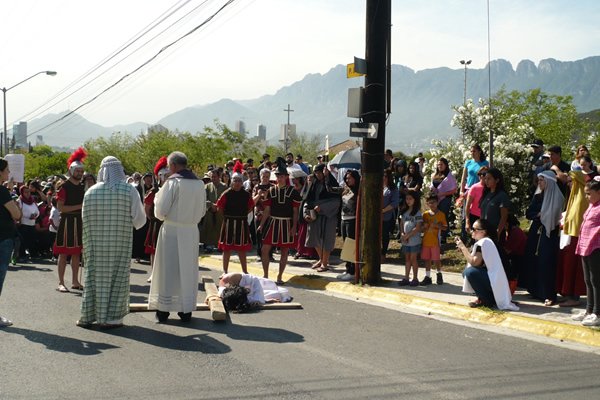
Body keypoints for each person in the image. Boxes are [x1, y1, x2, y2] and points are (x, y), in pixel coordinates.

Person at [76, 156, 146, 329]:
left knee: (94, 278)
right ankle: (112, 319)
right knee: (117, 278)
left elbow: (84, 219)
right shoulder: (129, 190)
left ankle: (88, 316)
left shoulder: (90, 192)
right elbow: (140, 220)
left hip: (95, 245)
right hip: (119, 244)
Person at [149, 151, 206, 323]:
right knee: (187, 270)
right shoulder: (199, 184)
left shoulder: (172, 183)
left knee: (168, 270)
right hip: (191, 231)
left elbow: (160, 212)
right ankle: (185, 310)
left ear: (172, 166)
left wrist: (157, 198)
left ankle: (163, 310)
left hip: (172, 230)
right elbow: (202, 211)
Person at [456, 218, 519, 310]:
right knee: (468, 272)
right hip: (505, 283)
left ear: (483, 232)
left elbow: (474, 262)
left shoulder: (484, 242)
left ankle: (486, 300)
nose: (471, 231)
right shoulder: (489, 241)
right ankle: (488, 297)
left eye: (474, 229)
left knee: (470, 272)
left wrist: (462, 247)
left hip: (506, 284)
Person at [522, 170, 565, 306]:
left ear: (549, 182)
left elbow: (556, 216)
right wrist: (539, 214)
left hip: (550, 233)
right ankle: (535, 290)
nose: (539, 183)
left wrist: (544, 215)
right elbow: (529, 213)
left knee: (546, 262)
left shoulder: (558, 197)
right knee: (533, 259)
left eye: (542, 180)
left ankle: (548, 294)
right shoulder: (538, 196)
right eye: (538, 180)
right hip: (537, 231)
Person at [257, 158, 301, 284]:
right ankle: (265, 275)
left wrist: (294, 227)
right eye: (278, 176)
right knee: (265, 250)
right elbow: (267, 210)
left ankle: (280, 276)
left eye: (282, 176)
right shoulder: (271, 190)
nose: (280, 178)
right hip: (273, 223)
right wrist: (261, 224)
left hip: (287, 223)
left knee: (284, 251)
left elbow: (295, 211)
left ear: (286, 177)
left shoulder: (293, 192)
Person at [54, 147, 87, 293]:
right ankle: (61, 282)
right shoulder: (64, 186)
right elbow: (61, 208)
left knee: (76, 253)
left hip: (79, 222)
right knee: (63, 253)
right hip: (67, 222)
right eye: (77, 171)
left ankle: (75, 281)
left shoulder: (82, 186)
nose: (79, 173)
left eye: (81, 171)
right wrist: (80, 206)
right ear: (71, 170)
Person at [556, 170, 588, 307]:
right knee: (568, 267)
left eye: (571, 182)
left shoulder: (582, 198)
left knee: (574, 268)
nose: (569, 184)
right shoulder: (574, 196)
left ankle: (574, 297)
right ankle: (568, 294)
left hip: (576, 238)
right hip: (569, 237)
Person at [217, 161, 254, 274]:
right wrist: (227, 217)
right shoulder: (226, 194)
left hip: (241, 223)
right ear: (231, 181)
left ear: (242, 182)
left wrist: (241, 216)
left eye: (239, 180)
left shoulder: (246, 194)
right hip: (228, 223)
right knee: (226, 249)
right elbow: (220, 207)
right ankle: (225, 270)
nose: (237, 183)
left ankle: (245, 271)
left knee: (241, 250)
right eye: (235, 180)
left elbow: (250, 207)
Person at [572, 177, 600, 326]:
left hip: (596, 247)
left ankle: (597, 312)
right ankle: (589, 310)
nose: (586, 196)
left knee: (596, 280)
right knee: (588, 280)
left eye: (589, 193)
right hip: (585, 246)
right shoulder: (592, 206)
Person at [303, 163, 340, 273]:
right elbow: (306, 198)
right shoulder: (313, 183)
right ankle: (321, 259)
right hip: (314, 213)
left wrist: (322, 207)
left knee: (326, 238)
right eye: (316, 173)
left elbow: (337, 201)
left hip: (329, 214)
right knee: (314, 237)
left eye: (320, 173)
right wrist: (306, 213)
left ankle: (325, 262)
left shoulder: (331, 183)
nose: (318, 175)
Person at [1, 159, 22, 327]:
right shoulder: (2, 192)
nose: (8, 173)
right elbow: (16, 214)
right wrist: (11, 195)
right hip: (3, 239)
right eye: (6, 170)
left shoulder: (3, 191)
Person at [144, 156, 169, 283]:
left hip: (169, 223)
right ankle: (153, 273)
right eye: (164, 175)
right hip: (156, 223)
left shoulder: (173, 189)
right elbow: (147, 207)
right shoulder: (154, 191)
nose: (166, 178)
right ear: (159, 176)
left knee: (167, 250)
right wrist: (152, 218)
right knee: (154, 250)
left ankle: (165, 274)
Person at [218, 272, 292, 313]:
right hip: (240, 291)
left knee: (277, 294)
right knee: (260, 300)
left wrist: (263, 300)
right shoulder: (223, 292)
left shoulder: (232, 278)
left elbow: (258, 299)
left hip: (255, 283)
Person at [337, 169, 360, 281]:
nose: (347, 180)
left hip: (352, 220)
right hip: (343, 218)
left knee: (351, 245)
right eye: (346, 178)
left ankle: (353, 271)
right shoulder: (346, 190)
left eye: (350, 178)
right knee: (346, 245)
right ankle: (348, 269)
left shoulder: (358, 191)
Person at [420, 193, 447, 285]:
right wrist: (424, 226)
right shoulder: (425, 215)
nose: (432, 204)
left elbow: (445, 227)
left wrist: (437, 226)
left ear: (437, 202)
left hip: (435, 241)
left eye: (434, 202)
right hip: (426, 241)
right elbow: (421, 228)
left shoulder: (441, 214)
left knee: (436, 259)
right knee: (427, 259)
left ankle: (439, 274)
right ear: (427, 204)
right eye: (430, 203)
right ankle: (428, 276)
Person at [398, 191, 423, 286]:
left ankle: (415, 278)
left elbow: (418, 228)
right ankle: (406, 277)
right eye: (407, 199)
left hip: (414, 240)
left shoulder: (417, 213)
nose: (408, 201)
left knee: (413, 259)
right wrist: (402, 234)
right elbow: (401, 224)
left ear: (415, 200)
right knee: (407, 259)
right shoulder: (404, 212)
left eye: (410, 199)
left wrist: (408, 236)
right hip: (405, 240)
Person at [430, 157, 457, 244]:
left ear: (446, 165)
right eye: (438, 164)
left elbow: (453, 190)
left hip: (445, 199)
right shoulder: (435, 175)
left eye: (441, 164)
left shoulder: (449, 176)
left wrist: (442, 194)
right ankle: (436, 234)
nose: (439, 166)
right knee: (436, 216)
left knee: (443, 217)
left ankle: (443, 236)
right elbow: (433, 186)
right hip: (435, 199)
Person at [479, 168, 511, 239]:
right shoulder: (486, 194)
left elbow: (504, 217)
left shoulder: (502, 196)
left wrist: (498, 232)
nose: (486, 181)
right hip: (483, 232)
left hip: (495, 233)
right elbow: (482, 214)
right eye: (485, 178)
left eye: (489, 179)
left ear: (497, 180)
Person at [200, 168, 227, 252]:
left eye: (215, 177)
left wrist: (218, 206)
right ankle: (209, 245)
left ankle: (220, 245)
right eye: (212, 177)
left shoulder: (224, 186)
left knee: (221, 227)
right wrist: (211, 205)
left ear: (219, 177)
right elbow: (203, 198)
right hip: (210, 210)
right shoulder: (207, 186)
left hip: (221, 211)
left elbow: (226, 198)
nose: (213, 178)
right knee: (209, 226)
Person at [15, 185, 40, 262]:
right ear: (22, 192)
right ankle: (21, 255)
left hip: (32, 223)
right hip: (23, 224)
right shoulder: (19, 201)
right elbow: (18, 212)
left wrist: (35, 215)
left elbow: (37, 211)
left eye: (28, 192)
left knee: (31, 240)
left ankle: (32, 254)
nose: (28, 194)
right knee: (23, 241)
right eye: (25, 192)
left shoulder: (32, 200)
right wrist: (28, 216)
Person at [464, 166, 488, 237]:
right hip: (474, 217)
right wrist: (467, 221)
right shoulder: (474, 188)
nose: (481, 176)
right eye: (480, 174)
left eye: (484, 174)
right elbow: (467, 206)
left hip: (487, 217)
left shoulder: (491, 187)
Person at [381, 168, 400, 262]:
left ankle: (383, 254)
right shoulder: (379, 186)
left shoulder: (393, 189)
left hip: (387, 216)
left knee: (385, 235)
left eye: (385, 176)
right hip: (377, 217)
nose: (383, 178)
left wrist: (383, 210)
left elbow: (395, 203)